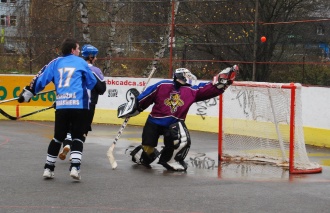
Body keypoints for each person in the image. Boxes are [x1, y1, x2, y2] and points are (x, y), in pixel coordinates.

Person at [117, 65, 238, 171]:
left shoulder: (191, 90)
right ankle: (145, 156)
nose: (189, 79)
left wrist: (222, 81)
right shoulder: (162, 85)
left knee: (181, 141)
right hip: (154, 121)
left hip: (174, 124)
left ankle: (170, 160)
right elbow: (145, 97)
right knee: (148, 146)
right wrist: (135, 106)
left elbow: (208, 89)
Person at [18, 38, 101, 181]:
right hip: (79, 106)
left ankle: (48, 169)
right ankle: (75, 168)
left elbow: (40, 80)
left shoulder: (55, 63)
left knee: (58, 137)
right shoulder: (82, 62)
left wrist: (27, 94)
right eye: (78, 48)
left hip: (62, 105)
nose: (79, 51)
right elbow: (91, 82)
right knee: (78, 137)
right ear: (72, 50)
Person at [59, 44, 106, 161]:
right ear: (90, 57)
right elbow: (102, 89)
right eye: (95, 56)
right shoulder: (95, 70)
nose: (96, 58)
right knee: (82, 130)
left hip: (74, 101)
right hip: (89, 105)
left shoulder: (75, 66)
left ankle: (67, 144)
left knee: (69, 127)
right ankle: (75, 153)